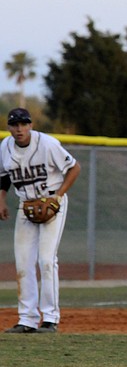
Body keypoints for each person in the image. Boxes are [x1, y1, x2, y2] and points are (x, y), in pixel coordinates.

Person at [0, 108, 81, 334]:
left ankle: (50, 319)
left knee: (46, 260)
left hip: (52, 204)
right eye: (14, 124)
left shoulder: (47, 144)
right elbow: (3, 175)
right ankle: (26, 319)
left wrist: (58, 195)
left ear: (31, 125)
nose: (19, 129)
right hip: (25, 206)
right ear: (9, 127)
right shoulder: (5, 147)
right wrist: (2, 200)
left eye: (23, 124)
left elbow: (75, 167)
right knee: (23, 263)